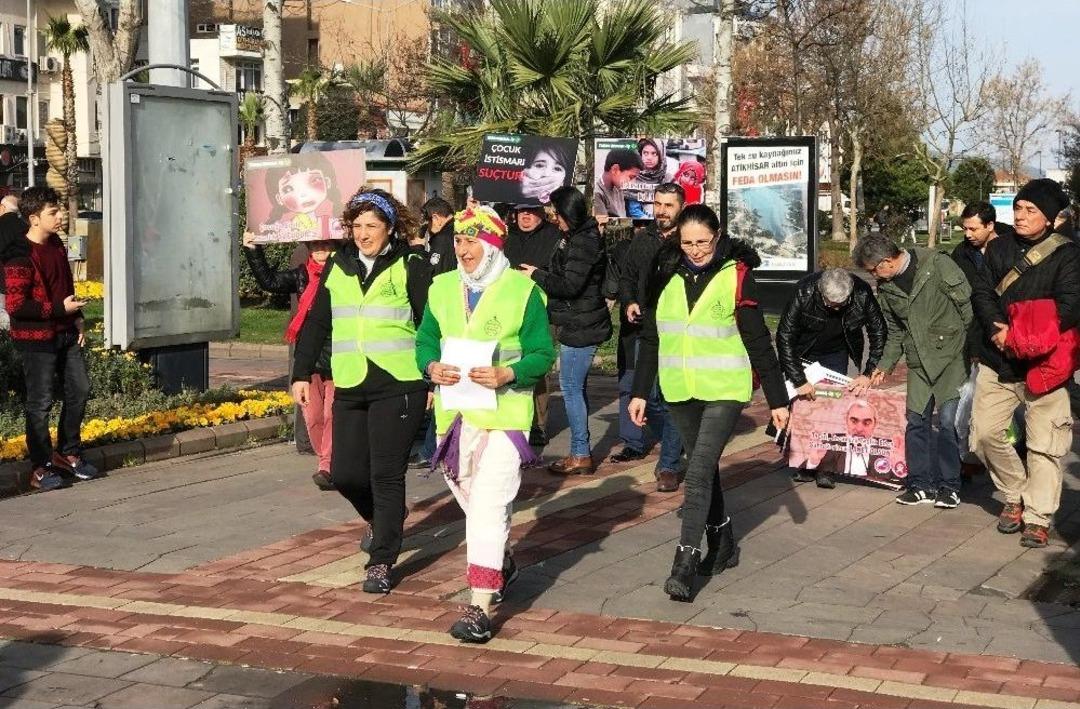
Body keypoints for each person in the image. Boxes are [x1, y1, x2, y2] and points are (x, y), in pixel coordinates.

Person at [629, 204, 789, 602]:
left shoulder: (736, 275)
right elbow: (652, 337)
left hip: (724, 388)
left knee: (697, 471)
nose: (696, 251)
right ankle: (722, 540)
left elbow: (757, 339)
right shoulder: (665, 272)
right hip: (680, 389)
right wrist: (639, 391)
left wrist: (777, 399)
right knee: (706, 468)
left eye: (703, 242)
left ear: (717, 237)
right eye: (688, 243)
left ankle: (685, 561)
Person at [417, 206, 556, 643]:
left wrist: (508, 373)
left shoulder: (523, 291)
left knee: (489, 503)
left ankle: (480, 606)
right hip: (456, 415)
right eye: (458, 241)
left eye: (472, 241)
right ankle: (502, 561)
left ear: (494, 245)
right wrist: (430, 366)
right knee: (475, 502)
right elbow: (425, 339)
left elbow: (542, 353)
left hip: (506, 415)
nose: (464, 250)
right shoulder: (441, 287)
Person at [291, 187, 432, 594]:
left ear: (390, 227)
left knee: (386, 473)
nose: (363, 233)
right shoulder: (339, 264)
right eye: (356, 225)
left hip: (399, 383)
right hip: (351, 381)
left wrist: (432, 378)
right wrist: (301, 373)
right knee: (345, 474)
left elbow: (429, 324)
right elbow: (317, 322)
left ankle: (382, 561)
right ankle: (384, 518)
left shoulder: (411, 264)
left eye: (372, 225)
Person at [970, 179, 1080, 548]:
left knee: (1044, 444)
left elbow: (1069, 307)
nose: (1020, 215)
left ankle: (1037, 516)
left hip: (1046, 365)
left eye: (1030, 210)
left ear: (1049, 218)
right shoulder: (998, 247)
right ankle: (1014, 491)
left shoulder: (1068, 254)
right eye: (1018, 208)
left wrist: (1020, 336)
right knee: (984, 434)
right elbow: (982, 291)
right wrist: (996, 329)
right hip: (997, 359)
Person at [854, 234, 971, 510]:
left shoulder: (937, 264)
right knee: (916, 422)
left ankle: (950, 486)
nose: (874, 277)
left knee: (948, 423)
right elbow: (896, 331)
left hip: (952, 357)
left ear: (886, 261)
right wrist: (884, 365)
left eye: (873, 270)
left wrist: (971, 350)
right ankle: (920, 484)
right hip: (918, 361)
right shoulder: (887, 286)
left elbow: (968, 309)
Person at [3, 186, 101, 491]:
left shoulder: (56, 244)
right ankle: (40, 467)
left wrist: (77, 317)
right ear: (34, 218)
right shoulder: (19, 254)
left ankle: (67, 453)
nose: (60, 216)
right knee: (40, 402)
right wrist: (59, 309)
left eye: (59, 210)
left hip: (66, 332)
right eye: (53, 212)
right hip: (37, 340)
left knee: (80, 390)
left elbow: (64, 285)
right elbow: (16, 306)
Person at [519, 187, 612, 475]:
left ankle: (580, 453)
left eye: (556, 214)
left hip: (581, 324)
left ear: (567, 213)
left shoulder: (583, 241)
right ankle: (580, 450)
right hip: (577, 321)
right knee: (575, 387)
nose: (553, 219)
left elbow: (571, 285)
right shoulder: (573, 236)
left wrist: (536, 275)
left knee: (570, 388)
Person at [242, 232, 336, 491]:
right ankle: (327, 459)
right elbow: (270, 281)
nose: (320, 249)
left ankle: (328, 466)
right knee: (313, 415)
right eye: (315, 245)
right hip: (309, 356)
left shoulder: (346, 274)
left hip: (339, 355)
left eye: (326, 244)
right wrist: (253, 249)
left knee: (333, 414)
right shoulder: (302, 275)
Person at [776, 268, 887, 488]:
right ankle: (804, 462)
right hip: (804, 352)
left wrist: (868, 372)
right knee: (804, 407)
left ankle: (826, 467)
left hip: (836, 352)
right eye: (830, 304)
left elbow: (878, 331)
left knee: (833, 407)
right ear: (820, 291)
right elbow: (785, 336)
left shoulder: (862, 292)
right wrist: (799, 380)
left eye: (840, 305)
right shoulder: (804, 291)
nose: (835, 308)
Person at [613, 183, 685, 492]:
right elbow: (627, 277)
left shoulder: (688, 241)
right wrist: (629, 301)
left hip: (680, 332)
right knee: (649, 396)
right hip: (646, 329)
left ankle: (668, 464)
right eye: (658, 204)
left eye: (669, 205)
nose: (662, 211)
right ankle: (676, 437)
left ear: (681, 207)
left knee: (674, 398)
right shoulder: (643, 240)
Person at [504, 204, 562, 446]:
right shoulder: (507, 236)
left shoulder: (555, 237)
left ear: (541, 212)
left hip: (543, 311)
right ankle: (513, 418)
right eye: (521, 211)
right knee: (509, 362)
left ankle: (538, 425)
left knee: (538, 367)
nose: (525, 215)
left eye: (531, 210)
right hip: (509, 310)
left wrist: (537, 274)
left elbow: (562, 277)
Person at [408, 197, 457, 471]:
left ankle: (431, 449)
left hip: (444, 316)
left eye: (428, 223)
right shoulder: (457, 235)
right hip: (454, 314)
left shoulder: (442, 241)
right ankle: (434, 447)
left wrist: (418, 251)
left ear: (436, 218)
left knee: (442, 384)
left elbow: (432, 277)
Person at [806, 399, 890, 478]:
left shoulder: (886, 450)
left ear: (875, 424)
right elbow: (803, 475)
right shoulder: (829, 444)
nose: (859, 429)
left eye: (866, 423)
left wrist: (896, 466)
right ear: (846, 420)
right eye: (854, 421)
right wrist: (813, 462)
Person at [0, 194, 26, 332]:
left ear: (2, 207)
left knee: (2, 312)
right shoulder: (25, 226)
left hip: (1, 279)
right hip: (21, 278)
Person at [593, 149, 642, 218]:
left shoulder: (618, 188)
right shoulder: (597, 194)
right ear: (615, 170)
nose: (633, 182)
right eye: (631, 177)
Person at [419, 197, 457, 277]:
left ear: (435, 218)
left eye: (428, 223)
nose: (428, 228)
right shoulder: (461, 228)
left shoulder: (441, 239)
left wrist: (418, 249)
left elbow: (434, 273)